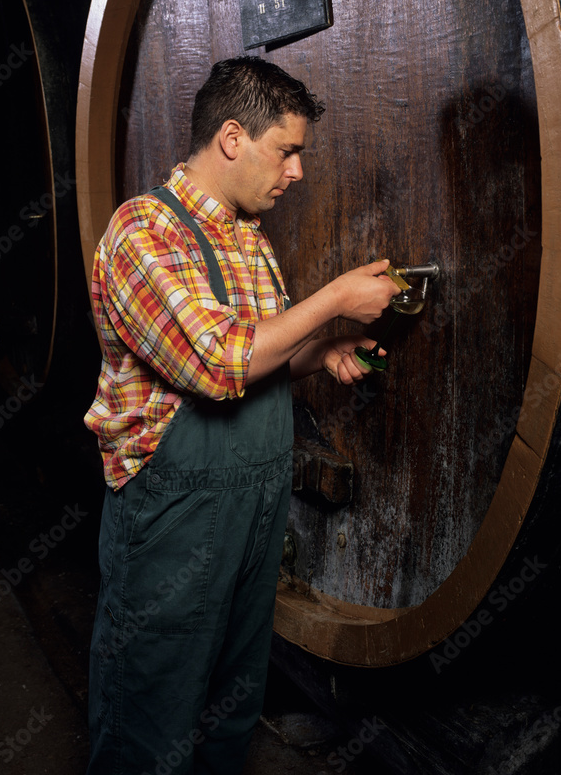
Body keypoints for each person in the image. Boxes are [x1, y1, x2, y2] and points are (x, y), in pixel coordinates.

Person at [84, 56, 398, 775]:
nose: (297, 173)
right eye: (287, 151)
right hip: (173, 522)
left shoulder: (247, 238)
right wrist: (332, 302)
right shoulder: (142, 233)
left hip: (251, 514)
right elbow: (213, 361)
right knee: (151, 715)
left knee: (230, 705)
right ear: (232, 137)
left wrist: (318, 351)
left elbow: (254, 364)